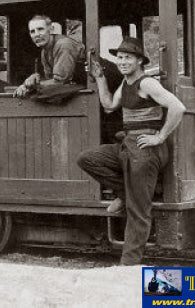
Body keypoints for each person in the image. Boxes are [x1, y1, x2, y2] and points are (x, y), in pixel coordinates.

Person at [76, 37, 186, 265]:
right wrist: (100, 78)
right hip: (128, 145)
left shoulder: (147, 83)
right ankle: (126, 193)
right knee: (87, 159)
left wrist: (160, 137)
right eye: (120, 57)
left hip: (146, 150)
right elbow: (109, 106)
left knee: (138, 211)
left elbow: (178, 107)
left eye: (128, 58)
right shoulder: (126, 84)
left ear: (139, 61)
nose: (122, 62)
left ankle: (129, 264)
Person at [13, 14, 86, 98]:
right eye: (32, 31)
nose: (36, 34)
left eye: (40, 29)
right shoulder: (45, 51)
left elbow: (60, 82)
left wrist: (28, 87)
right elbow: (50, 79)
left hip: (87, 88)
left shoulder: (64, 45)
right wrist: (33, 79)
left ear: (51, 29)